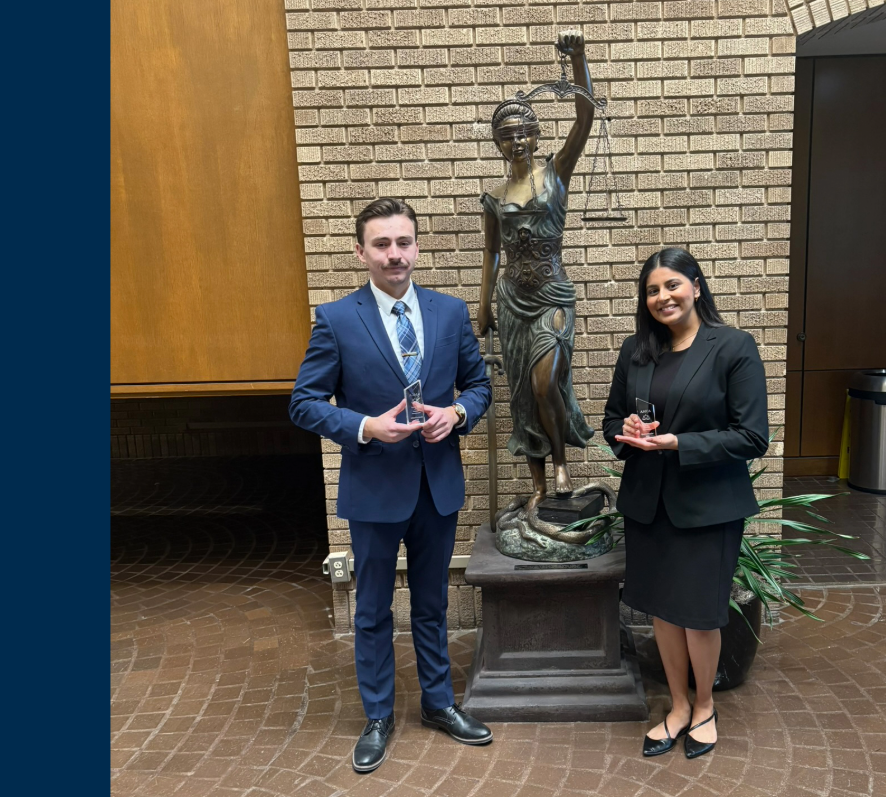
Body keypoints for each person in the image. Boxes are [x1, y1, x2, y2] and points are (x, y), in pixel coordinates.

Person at [289, 198, 494, 773]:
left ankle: (438, 704)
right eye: (381, 244)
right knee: (374, 609)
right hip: (374, 491)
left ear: (417, 247)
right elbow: (303, 403)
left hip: (437, 487)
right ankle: (378, 715)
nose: (394, 254)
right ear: (361, 252)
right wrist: (363, 426)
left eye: (403, 242)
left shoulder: (451, 314)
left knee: (431, 605)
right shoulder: (335, 319)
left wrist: (456, 415)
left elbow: (478, 386)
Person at [602, 248, 770, 760]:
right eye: (652, 290)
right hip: (648, 505)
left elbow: (751, 436)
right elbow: (611, 421)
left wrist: (680, 444)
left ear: (696, 286)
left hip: (708, 507)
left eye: (672, 285)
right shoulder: (636, 350)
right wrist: (626, 432)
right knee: (662, 613)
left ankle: (704, 707)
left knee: (699, 614)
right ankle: (675, 706)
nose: (662, 297)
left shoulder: (733, 347)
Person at [477, 30, 596, 515]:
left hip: (551, 295)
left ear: (536, 134)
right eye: (507, 136)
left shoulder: (556, 173)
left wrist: (579, 58)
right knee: (524, 393)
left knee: (547, 382)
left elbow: (585, 112)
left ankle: (563, 462)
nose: (517, 141)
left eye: (523, 132)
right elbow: (491, 254)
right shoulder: (493, 197)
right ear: (498, 143)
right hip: (511, 303)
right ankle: (540, 484)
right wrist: (482, 306)